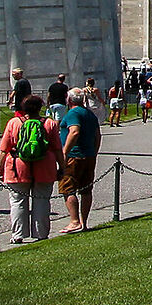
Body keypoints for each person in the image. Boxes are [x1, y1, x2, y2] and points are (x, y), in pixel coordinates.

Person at [0, 93, 61, 244]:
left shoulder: (14, 123)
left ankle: (18, 234)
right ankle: (41, 233)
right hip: (44, 165)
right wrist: (62, 167)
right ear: (40, 107)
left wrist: (0, 169)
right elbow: (57, 149)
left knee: (18, 201)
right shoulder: (49, 124)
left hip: (18, 166)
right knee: (42, 200)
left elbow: (4, 149)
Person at [56, 87, 100, 233]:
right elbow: (98, 136)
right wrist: (94, 151)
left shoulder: (73, 113)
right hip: (89, 155)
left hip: (74, 156)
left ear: (68, 100)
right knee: (86, 190)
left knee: (68, 189)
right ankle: (84, 222)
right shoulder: (90, 114)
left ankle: (74, 221)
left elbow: (74, 131)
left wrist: (64, 152)